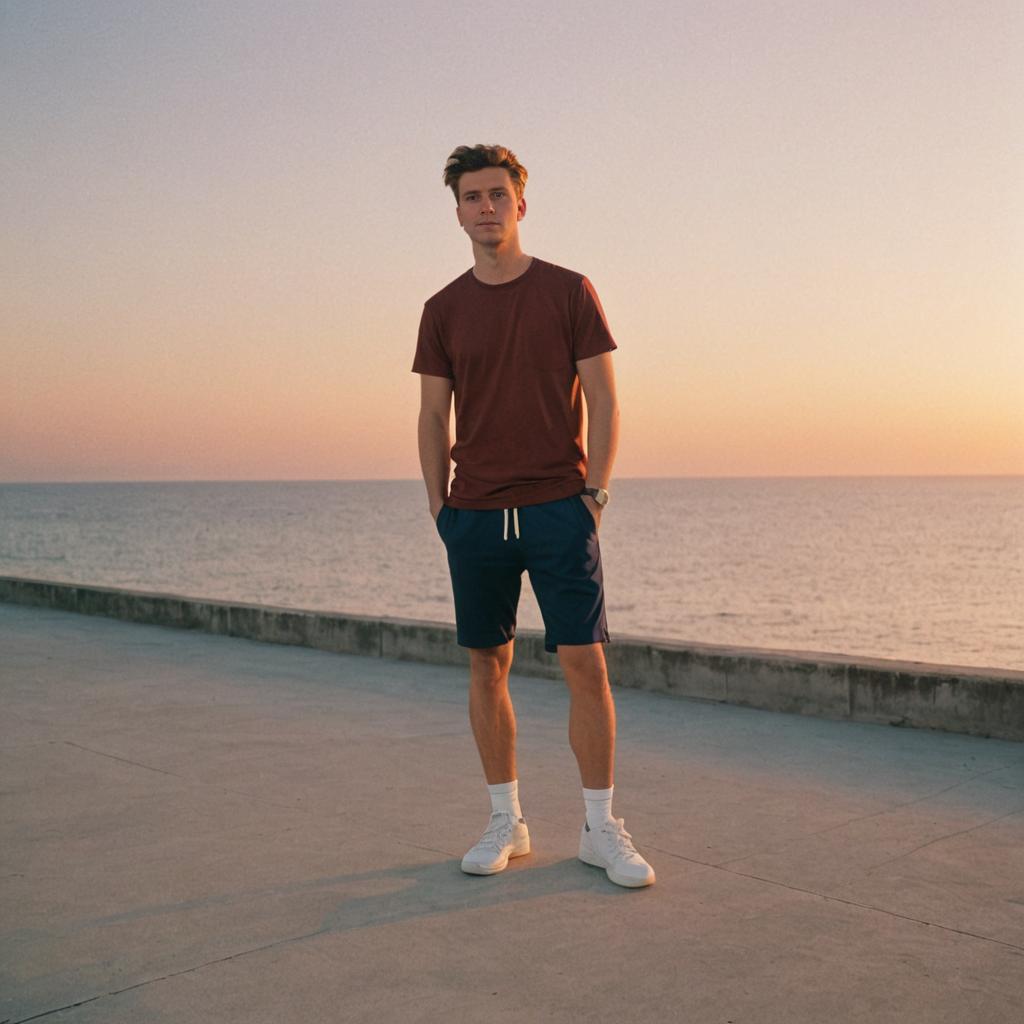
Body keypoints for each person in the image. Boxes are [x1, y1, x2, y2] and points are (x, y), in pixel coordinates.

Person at [412, 144, 655, 889]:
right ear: (456, 211)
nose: (485, 207)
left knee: (586, 663)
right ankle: (506, 821)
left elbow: (607, 400)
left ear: (522, 203)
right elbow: (431, 415)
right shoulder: (443, 309)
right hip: (476, 513)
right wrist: (441, 511)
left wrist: (596, 497)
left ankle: (600, 828)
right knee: (488, 665)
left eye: (497, 194)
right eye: (471, 197)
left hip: (559, 506)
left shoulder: (568, 291)